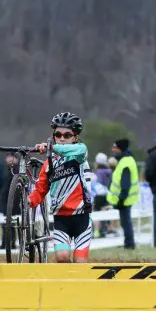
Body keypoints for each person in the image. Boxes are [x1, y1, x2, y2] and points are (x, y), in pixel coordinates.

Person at [28, 112, 93, 263]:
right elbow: (41, 189)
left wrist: (52, 147)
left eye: (67, 135)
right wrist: (29, 201)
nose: (62, 138)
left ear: (75, 137)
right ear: (54, 135)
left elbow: (72, 150)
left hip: (81, 217)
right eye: (58, 134)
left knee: (80, 263)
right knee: (62, 257)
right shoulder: (48, 164)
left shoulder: (80, 153)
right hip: (60, 219)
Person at [107, 138, 139, 249]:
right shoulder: (124, 160)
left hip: (124, 199)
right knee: (125, 223)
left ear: (120, 149)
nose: (113, 149)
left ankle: (129, 245)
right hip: (125, 199)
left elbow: (126, 184)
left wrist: (121, 198)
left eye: (115, 147)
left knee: (126, 223)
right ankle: (129, 243)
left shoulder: (125, 162)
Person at [0, 153, 20, 250]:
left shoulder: (17, 170)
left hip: (15, 202)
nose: (9, 159)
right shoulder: (4, 169)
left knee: (16, 224)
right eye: (8, 157)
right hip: (5, 201)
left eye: (11, 157)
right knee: (6, 225)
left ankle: (13, 244)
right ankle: (5, 244)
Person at [93, 152, 113, 237]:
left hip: (98, 195)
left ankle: (97, 231)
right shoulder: (110, 171)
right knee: (106, 211)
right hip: (108, 194)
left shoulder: (97, 172)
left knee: (97, 212)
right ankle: (106, 229)